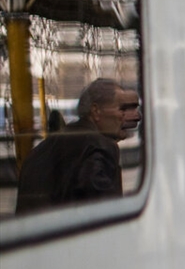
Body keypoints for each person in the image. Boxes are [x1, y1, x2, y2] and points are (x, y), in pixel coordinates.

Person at [16, 78, 141, 214]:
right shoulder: (100, 147)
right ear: (96, 111)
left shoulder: (46, 147)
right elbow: (108, 212)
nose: (133, 117)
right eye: (122, 109)